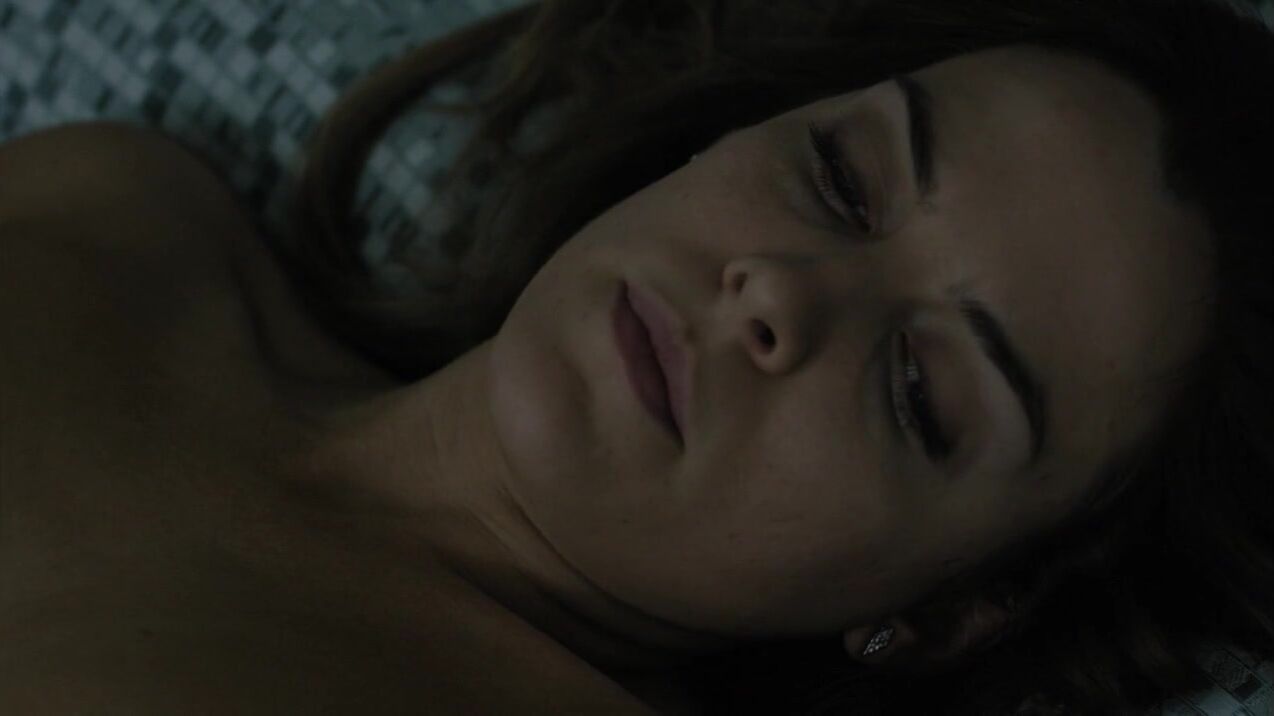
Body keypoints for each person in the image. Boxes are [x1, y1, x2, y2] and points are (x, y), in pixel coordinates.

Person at [1, 0, 1270, 714]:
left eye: (918, 391)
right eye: (841, 175)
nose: (777, 290)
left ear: (938, 610)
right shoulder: (120, 223)